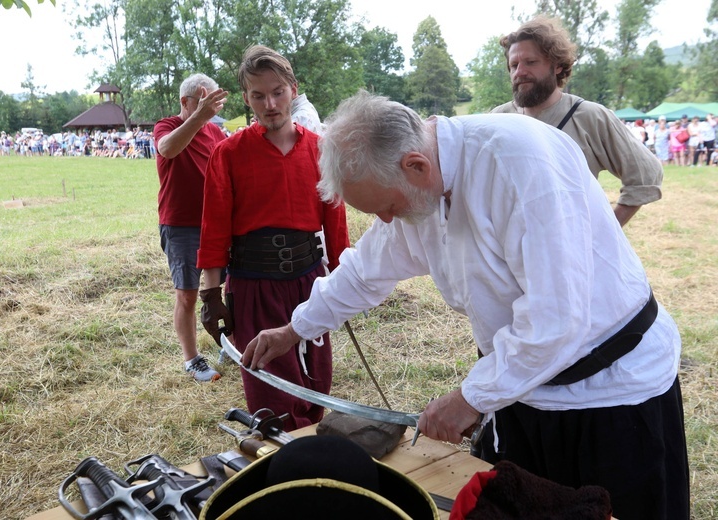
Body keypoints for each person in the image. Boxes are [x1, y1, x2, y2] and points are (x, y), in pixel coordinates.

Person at [242, 91, 690, 520]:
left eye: (388, 207)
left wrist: (469, 399)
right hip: (521, 393)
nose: (385, 220)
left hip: (611, 400)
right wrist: (294, 329)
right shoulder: (416, 185)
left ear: (415, 166)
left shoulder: (520, 162)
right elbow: (364, 271)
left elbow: (556, 319)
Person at [197, 45, 349, 430]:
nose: (270, 103)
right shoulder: (229, 153)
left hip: (309, 281)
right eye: (258, 95)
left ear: (293, 89)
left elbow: (335, 225)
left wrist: (343, 283)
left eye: (278, 91)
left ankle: (310, 462)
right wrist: (212, 295)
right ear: (246, 98)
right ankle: (282, 462)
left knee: (316, 383)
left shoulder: (319, 150)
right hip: (253, 287)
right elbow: (214, 230)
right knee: (272, 393)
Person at [491, 15, 663, 227]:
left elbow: (646, 174)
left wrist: (605, 232)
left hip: (570, 250)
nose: (520, 72)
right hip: (510, 253)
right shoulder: (497, 119)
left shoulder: (590, 116)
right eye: (514, 65)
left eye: (531, 62)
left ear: (557, 66)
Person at [154, 73, 228, 382]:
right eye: (207, 102)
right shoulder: (168, 126)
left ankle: (230, 345)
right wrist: (198, 118)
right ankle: (192, 359)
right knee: (187, 294)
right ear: (186, 102)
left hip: (216, 224)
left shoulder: (216, 133)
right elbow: (167, 149)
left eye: (216, 102)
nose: (214, 109)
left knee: (220, 290)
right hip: (181, 225)